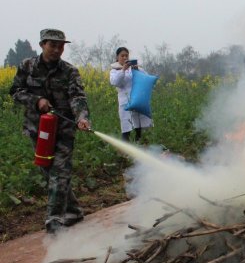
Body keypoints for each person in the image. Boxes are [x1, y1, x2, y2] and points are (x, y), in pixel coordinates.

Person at [10, 29, 91, 234]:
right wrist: (36, 101)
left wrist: (82, 118)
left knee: (60, 171)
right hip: (37, 129)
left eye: (61, 46)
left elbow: (77, 97)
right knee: (49, 172)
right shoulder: (27, 66)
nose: (57, 50)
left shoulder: (69, 71)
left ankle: (54, 219)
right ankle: (73, 211)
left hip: (64, 130)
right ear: (42, 45)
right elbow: (15, 92)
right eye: (52, 45)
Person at [109, 47, 153, 142]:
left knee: (139, 129)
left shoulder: (136, 68)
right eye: (122, 55)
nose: (125, 57)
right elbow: (115, 82)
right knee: (126, 129)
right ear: (117, 57)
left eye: (126, 55)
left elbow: (146, 79)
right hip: (125, 103)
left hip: (138, 102)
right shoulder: (114, 71)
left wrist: (137, 70)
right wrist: (123, 70)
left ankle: (141, 150)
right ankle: (125, 153)